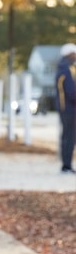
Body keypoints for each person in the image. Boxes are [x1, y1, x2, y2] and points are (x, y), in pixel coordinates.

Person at [55, 43, 76, 174]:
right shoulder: (66, 70)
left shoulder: (63, 69)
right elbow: (72, 92)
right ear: (69, 54)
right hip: (69, 109)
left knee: (67, 137)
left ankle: (66, 165)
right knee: (69, 137)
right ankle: (66, 166)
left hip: (67, 108)